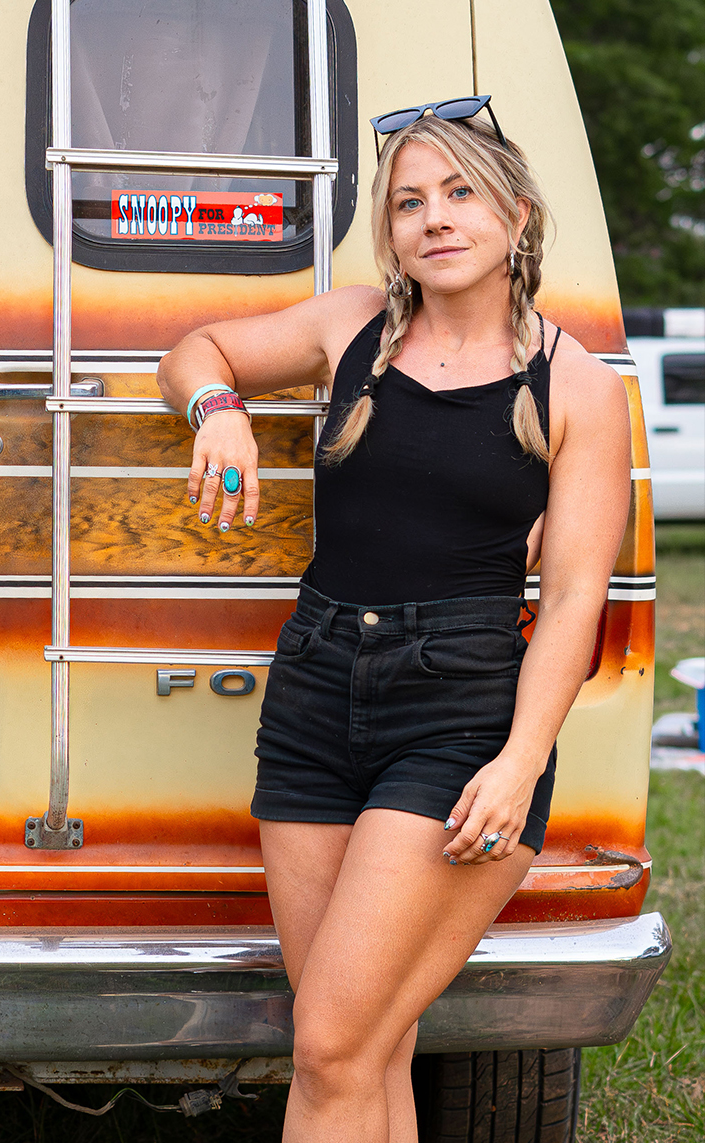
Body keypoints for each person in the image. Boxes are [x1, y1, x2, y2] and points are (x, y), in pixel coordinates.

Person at [156, 100, 630, 1142]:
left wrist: (517, 762)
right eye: (410, 201)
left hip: (457, 717)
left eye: (459, 193)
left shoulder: (576, 386)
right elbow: (193, 350)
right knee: (367, 1048)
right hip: (316, 692)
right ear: (390, 232)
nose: (435, 218)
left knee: (327, 1045)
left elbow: (571, 605)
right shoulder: (352, 327)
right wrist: (218, 412)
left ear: (514, 212)